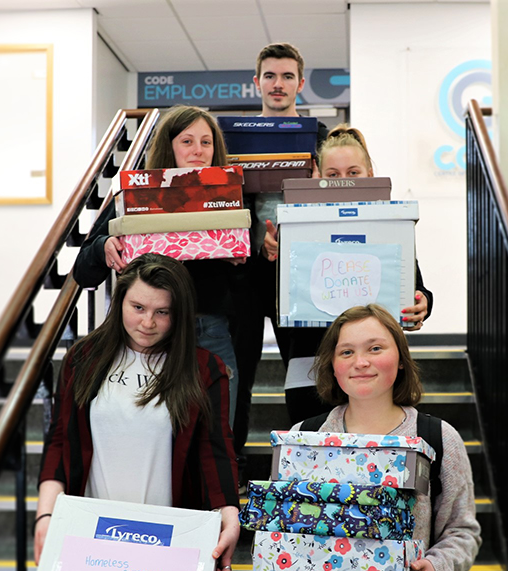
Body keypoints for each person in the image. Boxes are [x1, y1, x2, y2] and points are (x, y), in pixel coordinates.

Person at [257, 304, 481, 571]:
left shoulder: (438, 438)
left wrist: (435, 569)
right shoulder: (301, 439)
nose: (361, 362)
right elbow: (278, 525)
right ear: (332, 366)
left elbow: (462, 531)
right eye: (346, 352)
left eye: (375, 348)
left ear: (401, 359)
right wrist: (271, 566)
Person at [35, 253, 240, 571]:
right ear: (120, 303)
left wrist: (229, 516)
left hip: (168, 540)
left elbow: (215, 449)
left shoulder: (203, 368)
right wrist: (45, 515)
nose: (148, 322)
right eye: (138, 308)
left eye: (162, 312)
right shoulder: (83, 359)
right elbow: (60, 440)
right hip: (92, 535)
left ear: (180, 313)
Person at [73, 105, 241, 426]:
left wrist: (242, 257)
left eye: (207, 142)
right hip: (147, 338)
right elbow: (83, 270)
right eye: (187, 141)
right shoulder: (137, 195)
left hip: (209, 331)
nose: (198, 150)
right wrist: (103, 246)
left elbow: (252, 283)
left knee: (218, 433)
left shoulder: (231, 196)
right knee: (154, 436)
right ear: (169, 145)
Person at [275, 123, 434, 425]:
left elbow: (416, 289)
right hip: (308, 371)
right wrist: (271, 258)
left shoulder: (389, 229)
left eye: (353, 173)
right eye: (332, 175)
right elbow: (272, 302)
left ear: (370, 174)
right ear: (318, 177)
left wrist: (421, 304)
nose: (342, 183)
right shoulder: (296, 230)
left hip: (372, 372)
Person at [231, 42, 329, 460]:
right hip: (244, 272)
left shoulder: (321, 138)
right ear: (256, 83)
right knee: (237, 374)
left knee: (305, 376)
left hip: (302, 272)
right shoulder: (232, 139)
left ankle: (307, 466)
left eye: (287, 76)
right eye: (269, 76)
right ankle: (230, 466)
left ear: (301, 84)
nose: (278, 84)